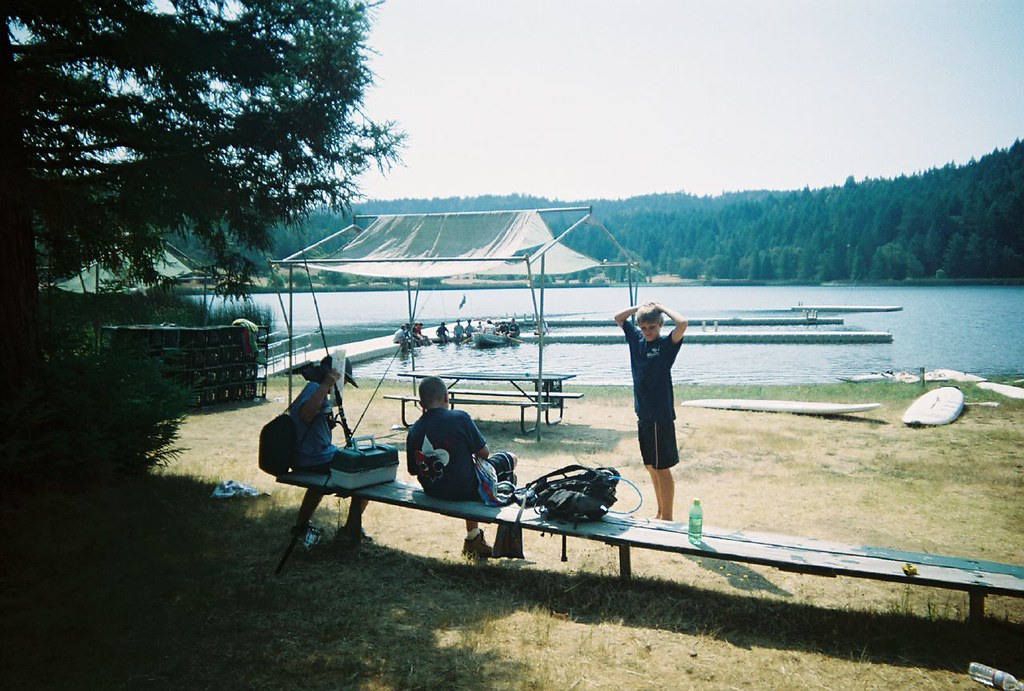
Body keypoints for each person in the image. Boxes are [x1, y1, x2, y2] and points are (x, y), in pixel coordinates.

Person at [406, 376, 518, 558]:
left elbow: (412, 470)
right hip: (464, 490)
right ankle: (500, 538)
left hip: (433, 489)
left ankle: (474, 538)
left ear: (421, 403)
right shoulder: (460, 417)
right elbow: (484, 453)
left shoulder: (414, 429)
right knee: (510, 459)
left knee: (464, 473)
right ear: (446, 397)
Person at [613, 301, 688, 521]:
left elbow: (683, 323)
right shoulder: (636, 339)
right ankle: (659, 512)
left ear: (660, 325)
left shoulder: (666, 345)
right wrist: (638, 309)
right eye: (644, 327)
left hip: (659, 416)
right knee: (650, 466)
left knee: (661, 467)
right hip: (644, 415)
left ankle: (668, 518)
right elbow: (618, 317)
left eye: (652, 327)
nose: (648, 332)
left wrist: (662, 307)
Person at [288, 352, 367, 546]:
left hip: (311, 456)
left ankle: (301, 524)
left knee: (319, 485)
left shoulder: (313, 390)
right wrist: (326, 384)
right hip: (314, 458)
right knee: (367, 473)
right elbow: (306, 415)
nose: (344, 386)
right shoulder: (316, 388)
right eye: (344, 381)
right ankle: (350, 530)